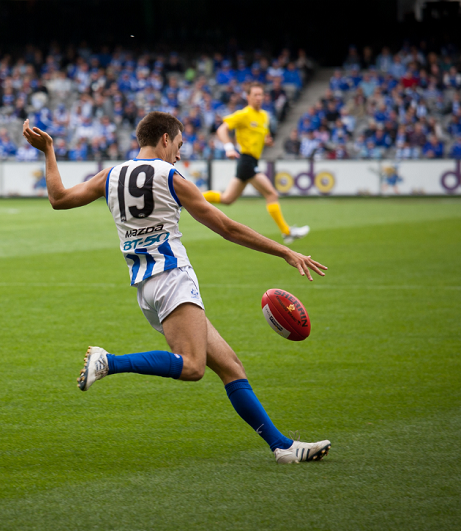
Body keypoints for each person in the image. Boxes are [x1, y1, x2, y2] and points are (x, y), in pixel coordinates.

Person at [22, 112, 330, 464]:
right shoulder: (171, 176)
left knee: (230, 365)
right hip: (173, 277)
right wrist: (285, 251)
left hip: (145, 287)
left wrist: (48, 150)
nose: (180, 154)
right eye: (179, 145)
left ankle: (282, 447)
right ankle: (109, 361)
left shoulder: (111, 175)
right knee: (193, 367)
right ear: (165, 139)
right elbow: (227, 227)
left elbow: (59, 198)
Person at [202, 82, 309, 245]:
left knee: (227, 199)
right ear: (248, 97)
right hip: (246, 160)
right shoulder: (243, 114)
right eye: (255, 95)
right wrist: (229, 147)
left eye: (261, 95)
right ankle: (287, 232)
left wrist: (267, 140)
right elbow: (221, 130)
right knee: (271, 194)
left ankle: (187, 199)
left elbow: (262, 135)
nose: (259, 98)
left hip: (251, 161)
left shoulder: (265, 116)